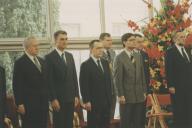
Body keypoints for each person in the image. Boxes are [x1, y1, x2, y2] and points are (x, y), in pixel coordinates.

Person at [12, 36, 49, 128]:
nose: (37, 48)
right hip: (28, 106)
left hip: (43, 105)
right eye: (34, 46)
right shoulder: (20, 63)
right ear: (27, 48)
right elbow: (16, 85)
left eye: (38, 45)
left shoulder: (42, 61)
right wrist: (19, 104)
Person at [45, 30, 79, 128]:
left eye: (66, 39)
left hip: (70, 98)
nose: (65, 41)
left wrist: (76, 95)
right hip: (58, 99)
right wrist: (53, 99)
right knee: (59, 124)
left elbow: (74, 77)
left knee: (69, 124)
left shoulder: (69, 56)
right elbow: (49, 81)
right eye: (62, 39)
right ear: (56, 41)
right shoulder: (49, 57)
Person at [114, 33, 147, 128]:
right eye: (131, 40)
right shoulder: (119, 57)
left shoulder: (138, 56)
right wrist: (120, 95)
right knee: (126, 122)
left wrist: (144, 91)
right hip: (126, 96)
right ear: (124, 42)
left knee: (138, 122)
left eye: (134, 40)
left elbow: (142, 75)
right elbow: (117, 78)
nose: (134, 42)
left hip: (139, 95)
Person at [79, 40, 112, 128]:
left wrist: (110, 98)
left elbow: (109, 82)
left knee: (105, 125)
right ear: (91, 49)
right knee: (94, 125)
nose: (101, 50)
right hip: (93, 103)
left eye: (102, 48)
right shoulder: (85, 65)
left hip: (106, 102)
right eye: (98, 48)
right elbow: (83, 85)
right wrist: (86, 101)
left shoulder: (105, 63)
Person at [165, 31, 192, 128]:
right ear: (175, 39)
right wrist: (171, 85)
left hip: (188, 86)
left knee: (189, 109)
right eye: (181, 37)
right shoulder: (170, 51)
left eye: (184, 37)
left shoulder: (187, 50)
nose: (183, 39)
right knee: (179, 110)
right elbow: (168, 69)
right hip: (177, 86)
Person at [99, 33, 116, 119]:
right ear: (101, 41)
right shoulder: (97, 53)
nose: (110, 42)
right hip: (103, 90)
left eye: (111, 40)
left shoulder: (113, 52)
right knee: (103, 117)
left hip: (113, 89)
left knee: (111, 116)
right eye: (108, 40)